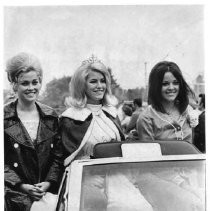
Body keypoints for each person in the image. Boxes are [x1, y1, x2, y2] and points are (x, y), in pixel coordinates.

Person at [59, 55, 153, 211]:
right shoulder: (70, 117)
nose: (100, 86)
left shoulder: (111, 113)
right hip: (86, 178)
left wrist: (130, 140)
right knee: (97, 203)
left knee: (135, 206)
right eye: (93, 81)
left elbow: (119, 147)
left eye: (102, 81)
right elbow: (64, 157)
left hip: (115, 174)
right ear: (82, 85)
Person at [4, 52, 64, 211]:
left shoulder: (50, 116)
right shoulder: (4, 118)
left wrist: (49, 182)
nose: (31, 88)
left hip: (47, 196)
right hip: (13, 196)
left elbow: (58, 156)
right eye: (25, 83)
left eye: (35, 82)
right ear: (14, 84)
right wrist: (22, 186)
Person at [137, 61, 198, 143]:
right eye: (165, 84)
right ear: (156, 86)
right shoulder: (146, 118)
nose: (171, 88)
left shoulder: (188, 110)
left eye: (175, 83)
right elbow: (149, 153)